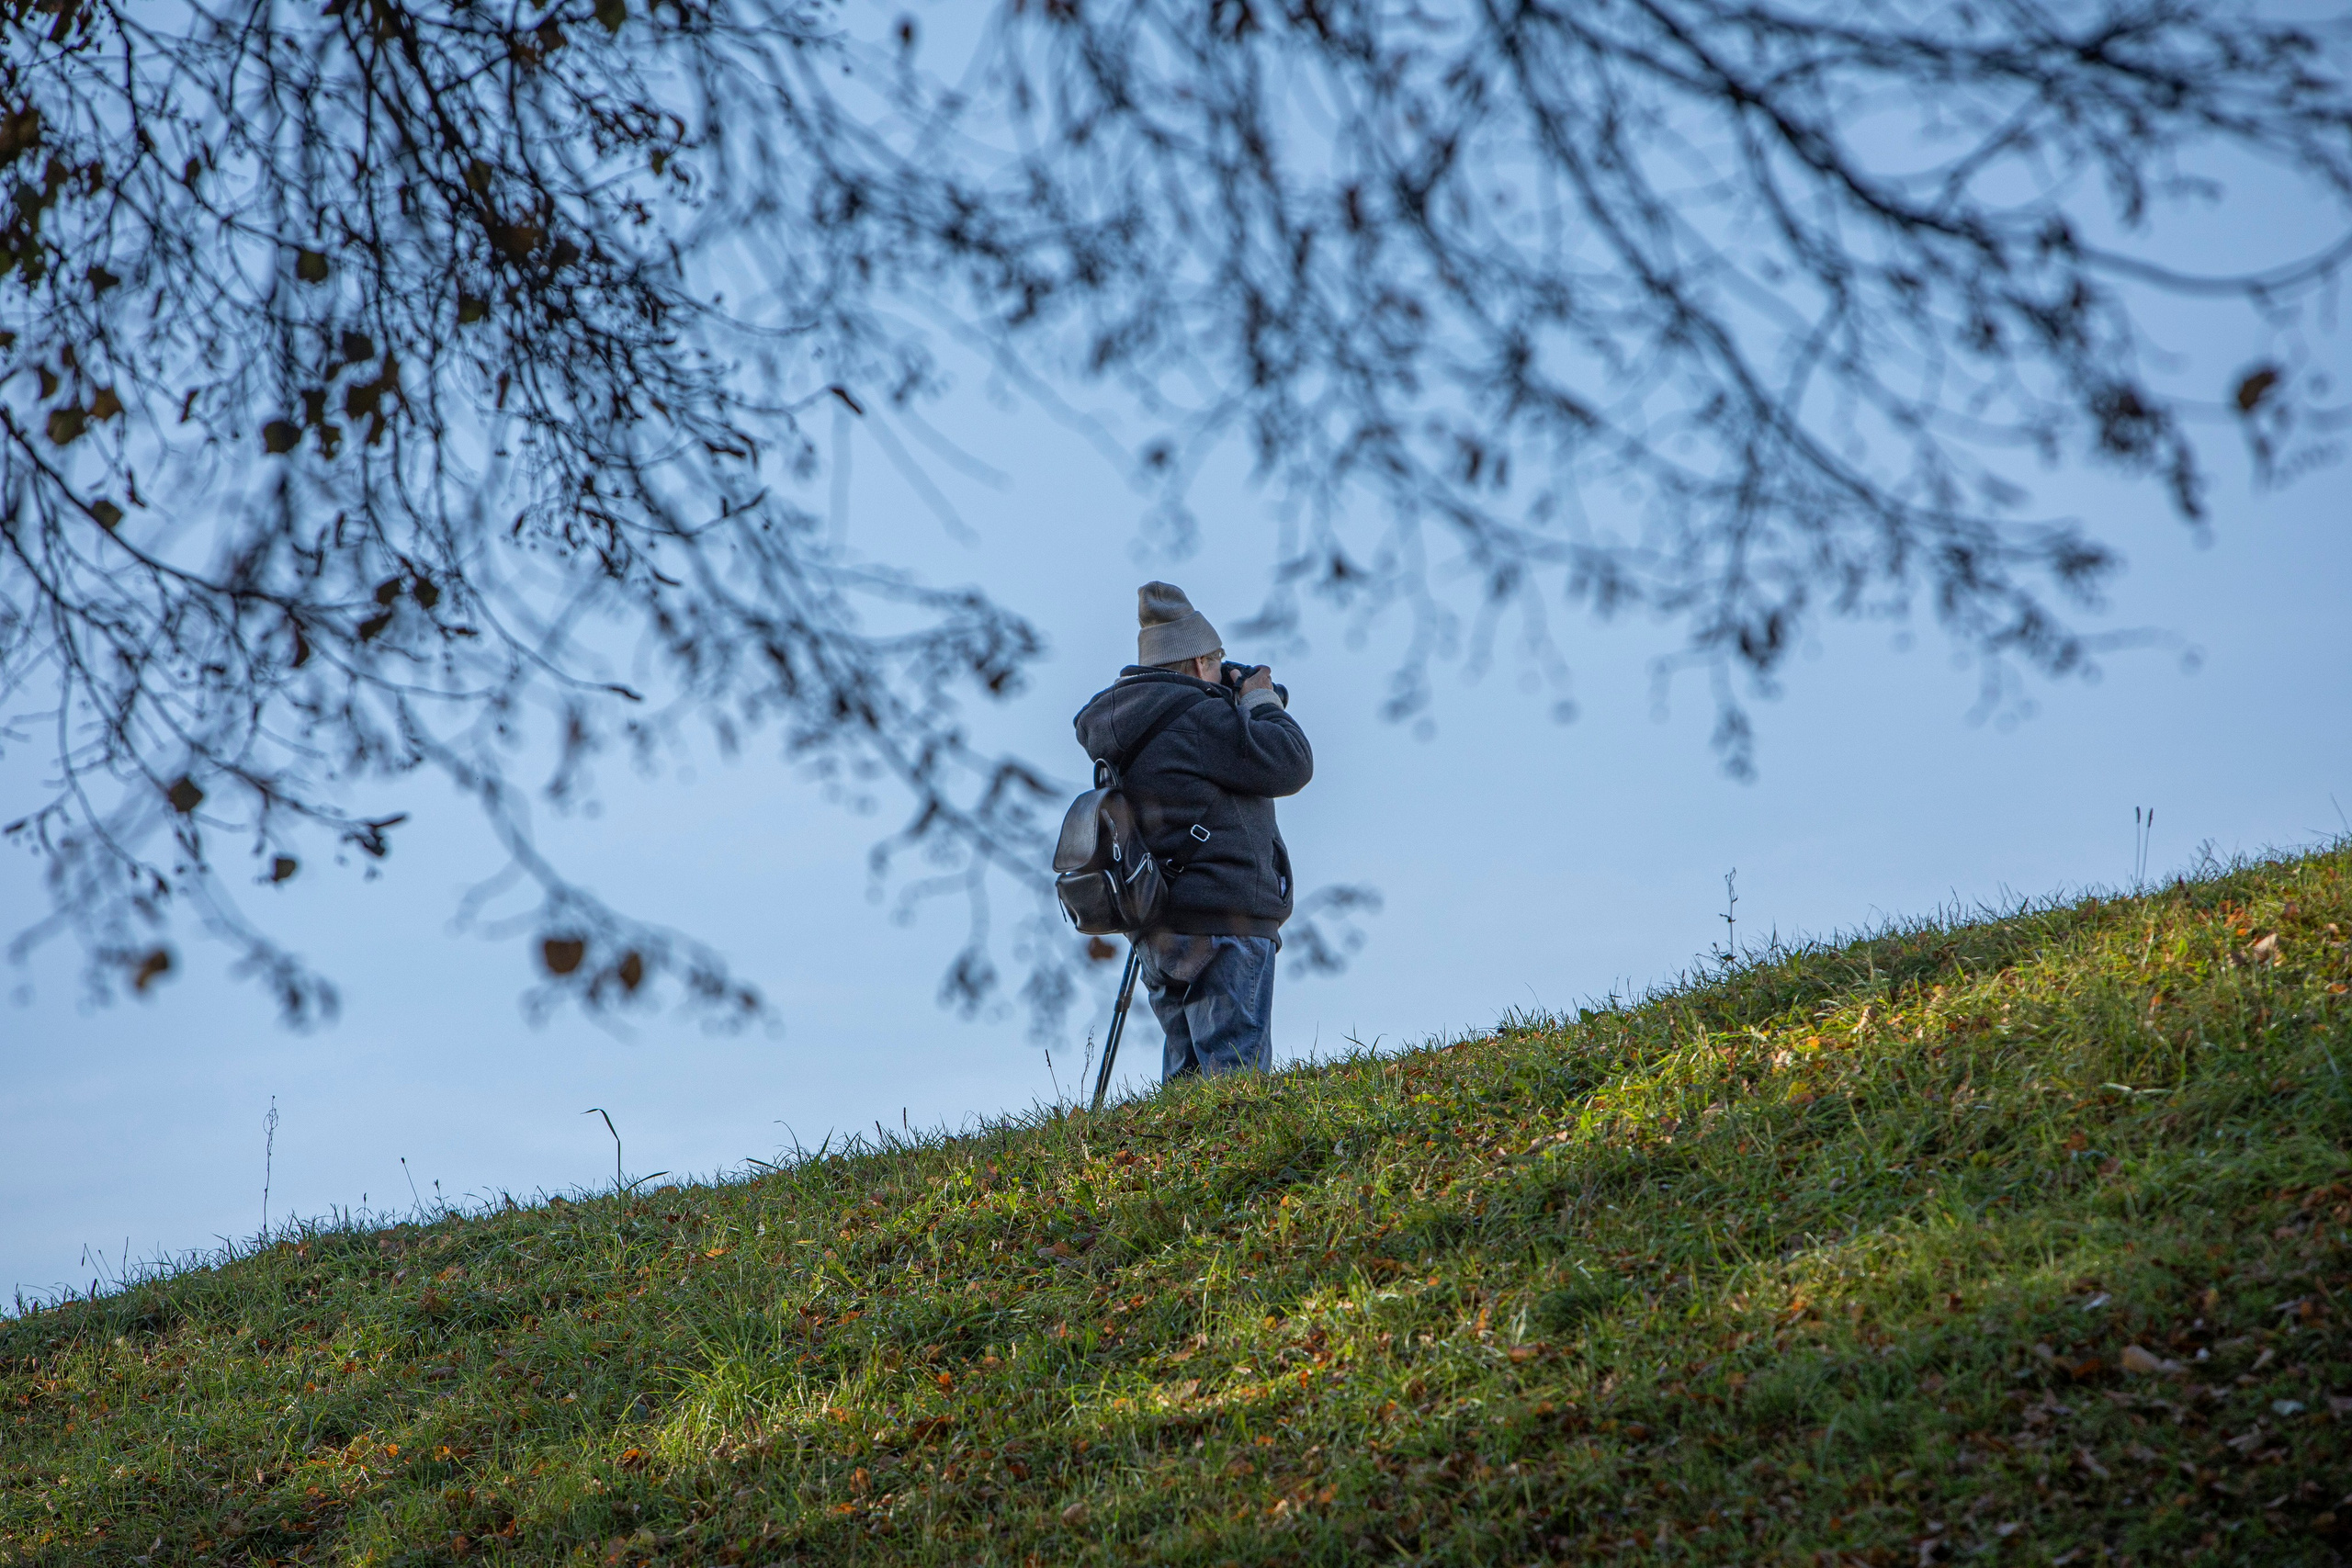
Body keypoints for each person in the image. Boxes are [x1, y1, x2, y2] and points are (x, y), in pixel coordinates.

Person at [1072, 581, 1313, 1080]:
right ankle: (1238, 1139)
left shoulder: (1125, 722)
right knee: (1234, 1081)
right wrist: (1261, 700)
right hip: (1226, 921)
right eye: (1218, 659)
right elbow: (1290, 762)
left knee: (1187, 1084)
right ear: (1201, 661)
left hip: (1159, 925)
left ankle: (1187, 1138)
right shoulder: (1200, 718)